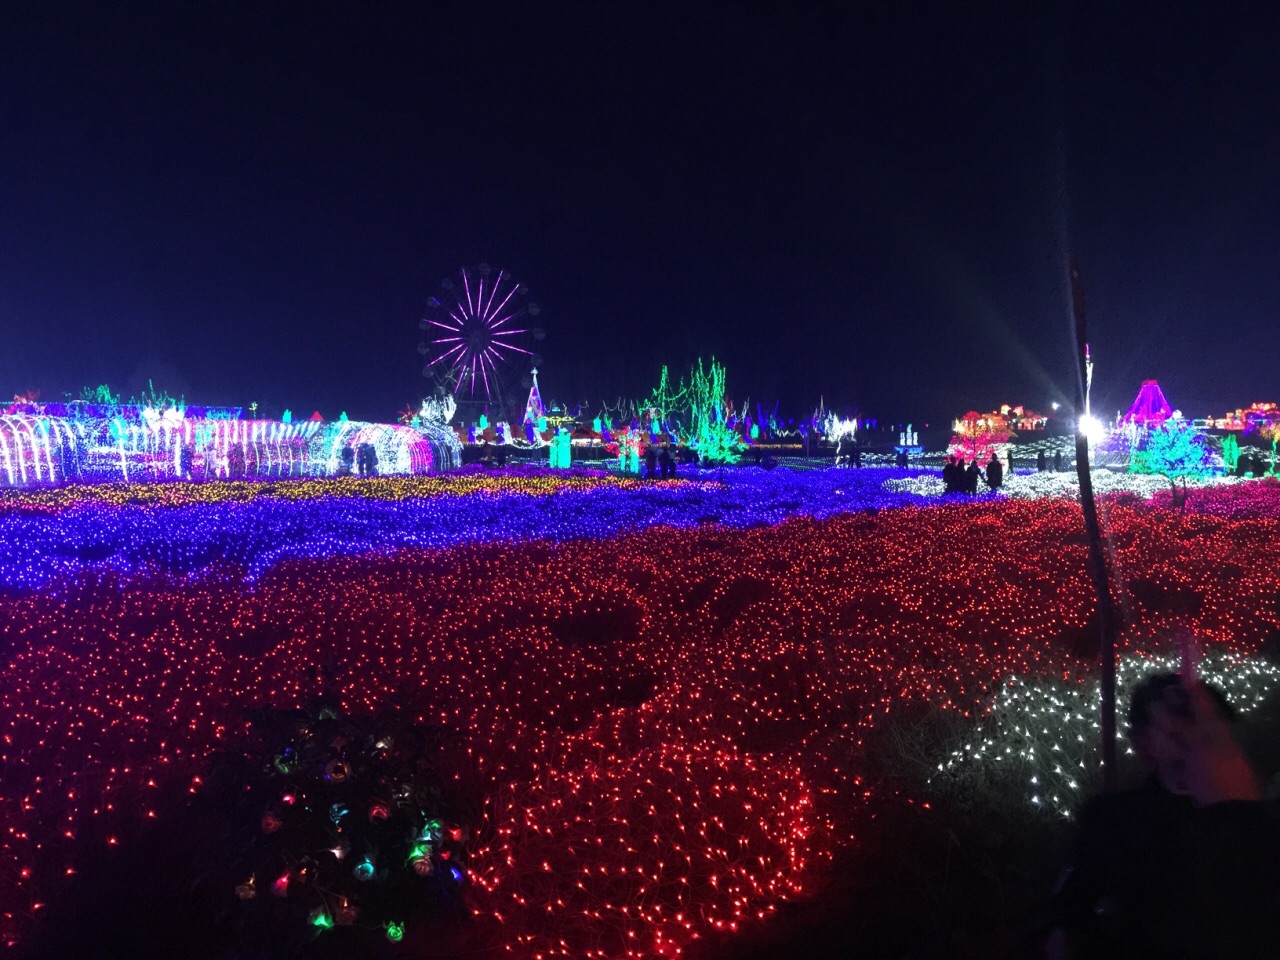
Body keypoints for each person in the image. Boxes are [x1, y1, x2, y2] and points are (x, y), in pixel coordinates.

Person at [1049, 671, 1277, 959]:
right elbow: (1070, 912)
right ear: (1143, 740)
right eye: (1176, 719)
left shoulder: (1256, 823)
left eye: (1204, 719)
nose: (1190, 733)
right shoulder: (1114, 821)